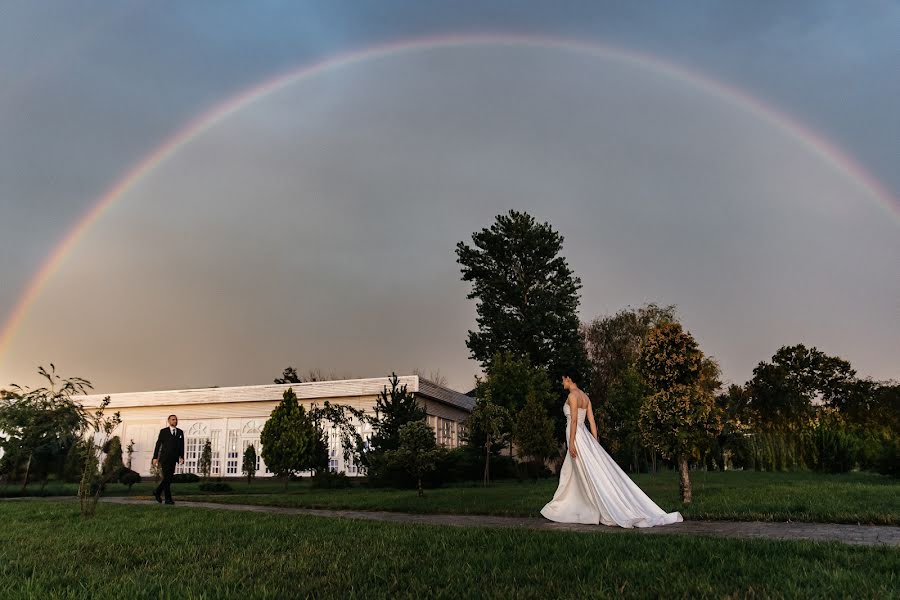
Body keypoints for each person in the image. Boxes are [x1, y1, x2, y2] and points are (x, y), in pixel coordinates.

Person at [540, 376, 682, 528]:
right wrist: (595, 444)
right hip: (585, 435)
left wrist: (572, 441)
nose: (562, 383)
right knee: (576, 470)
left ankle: (578, 506)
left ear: (568, 379)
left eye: (562, 380)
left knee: (579, 470)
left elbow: (574, 420)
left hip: (576, 435)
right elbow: (592, 421)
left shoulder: (572, 396)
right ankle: (576, 504)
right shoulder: (585, 397)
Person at [152, 414, 185, 505]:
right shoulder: (163, 431)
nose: (175, 421)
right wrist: (155, 457)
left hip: (173, 459)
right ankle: (168, 499)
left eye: (176, 420)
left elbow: (181, 446)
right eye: (173, 419)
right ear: (169, 421)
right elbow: (158, 445)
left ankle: (157, 491)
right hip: (164, 458)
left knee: (168, 479)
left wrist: (181, 457)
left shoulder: (180, 432)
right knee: (167, 478)